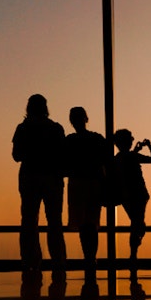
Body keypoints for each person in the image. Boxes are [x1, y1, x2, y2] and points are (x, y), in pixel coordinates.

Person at [12, 94, 66, 273]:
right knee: (54, 221)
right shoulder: (56, 128)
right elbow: (62, 156)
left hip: (30, 177)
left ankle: (31, 260)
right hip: (52, 178)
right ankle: (58, 260)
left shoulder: (23, 128)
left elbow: (16, 155)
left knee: (29, 220)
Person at [62, 107, 109, 273]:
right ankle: (91, 257)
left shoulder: (69, 141)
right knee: (91, 222)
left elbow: (64, 164)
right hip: (94, 183)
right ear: (86, 119)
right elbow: (106, 160)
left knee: (83, 224)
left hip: (77, 183)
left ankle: (88, 257)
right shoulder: (96, 139)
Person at [112, 129, 151, 260]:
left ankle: (133, 252)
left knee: (135, 223)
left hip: (126, 195)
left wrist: (136, 151)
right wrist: (149, 145)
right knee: (138, 223)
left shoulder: (118, 158)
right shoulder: (132, 156)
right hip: (139, 194)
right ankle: (133, 252)